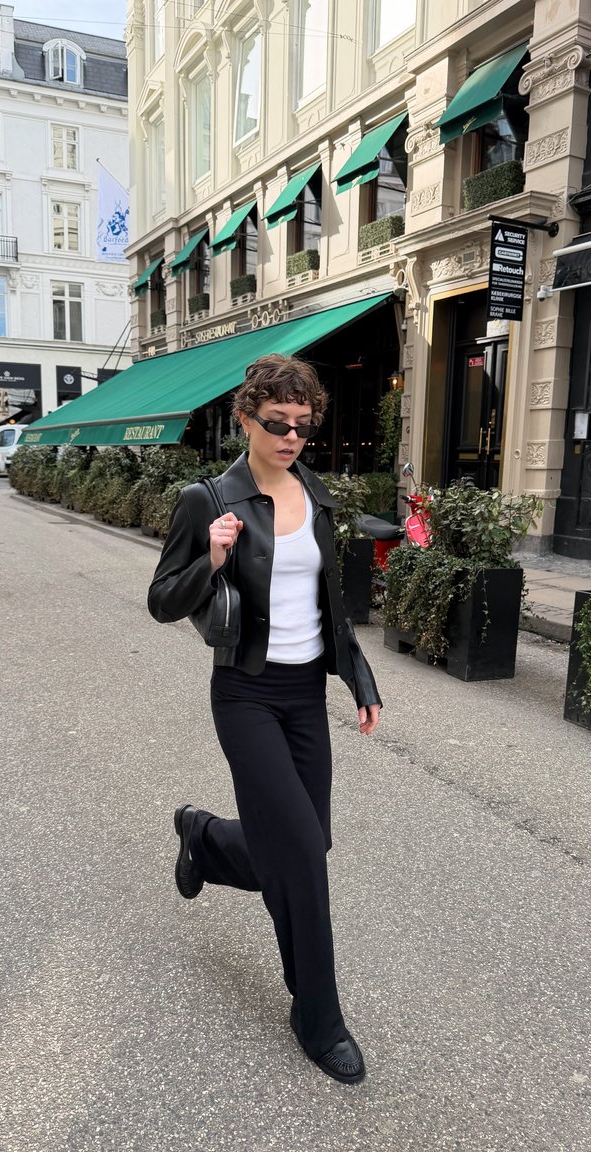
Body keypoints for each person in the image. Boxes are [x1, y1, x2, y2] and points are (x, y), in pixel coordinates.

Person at [148, 354, 381, 1085]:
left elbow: (330, 605)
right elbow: (161, 598)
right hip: (245, 695)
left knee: (304, 844)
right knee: (303, 858)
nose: (290, 436)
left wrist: (359, 676)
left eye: (303, 425)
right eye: (276, 422)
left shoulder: (315, 492)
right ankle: (318, 1017)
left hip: (306, 696)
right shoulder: (209, 497)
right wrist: (211, 559)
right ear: (245, 416)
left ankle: (207, 839)